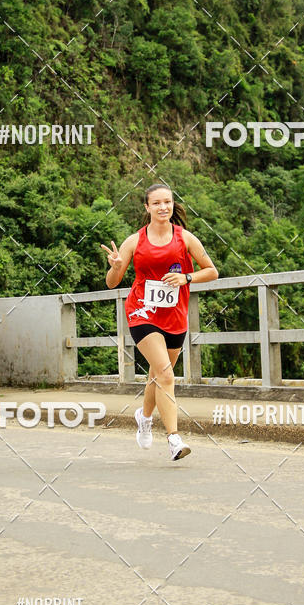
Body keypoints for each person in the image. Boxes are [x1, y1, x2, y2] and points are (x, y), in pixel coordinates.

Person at [100, 183, 218, 460]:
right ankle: (174, 438)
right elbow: (111, 283)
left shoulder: (185, 238)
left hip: (175, 316)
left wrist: (186, 278)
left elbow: (212, 271)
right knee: (165, 374)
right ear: (147, 207)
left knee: (157, 375)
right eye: (157, 203)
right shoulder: (135, 241)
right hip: (142, 312)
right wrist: (116, 267)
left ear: (173, 205)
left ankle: (144, 416)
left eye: (167, 202)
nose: (163, 207)